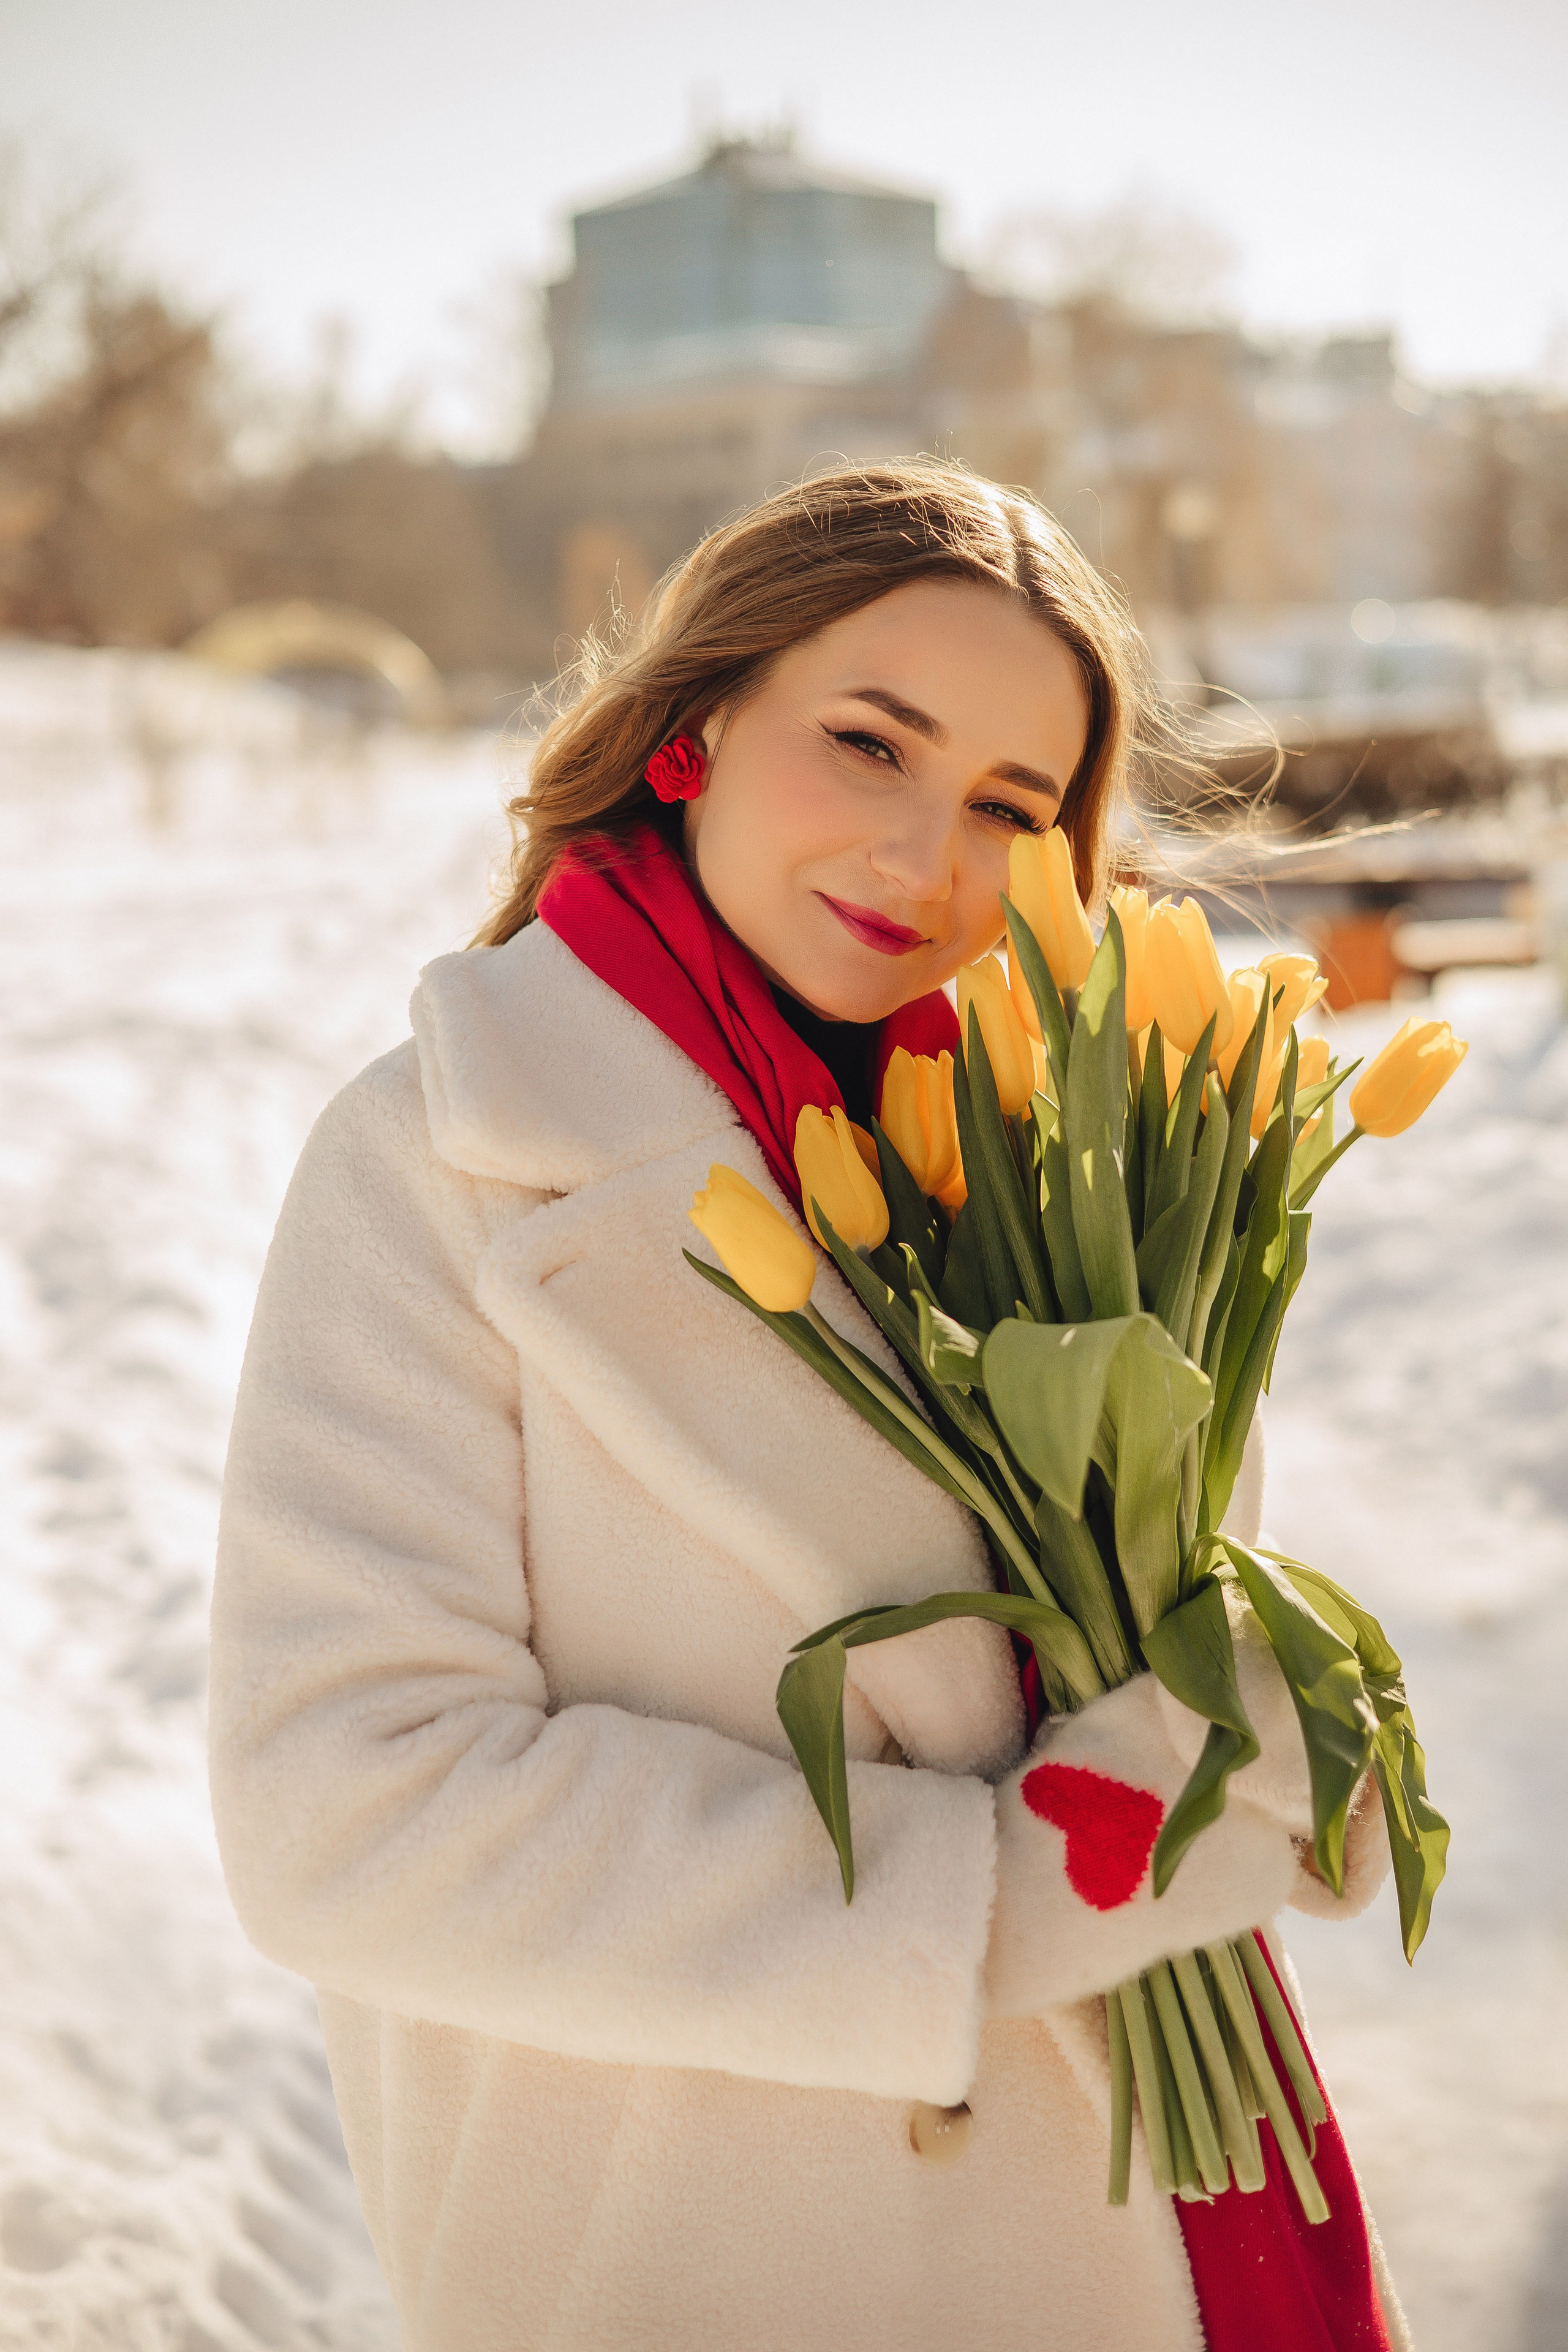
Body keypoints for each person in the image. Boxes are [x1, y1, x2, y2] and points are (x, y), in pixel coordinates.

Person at [209, 462, 1404, 2351]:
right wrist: (991, 1903)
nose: (931, 859)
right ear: (698, 723)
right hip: (699, 2256)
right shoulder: (444, 1160)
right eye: (869, 743)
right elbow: (343, 1810)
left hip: (1135, 2233)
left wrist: (1241, 1727)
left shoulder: (1061, 1150)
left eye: (1013, 805)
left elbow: (1153, 1608)